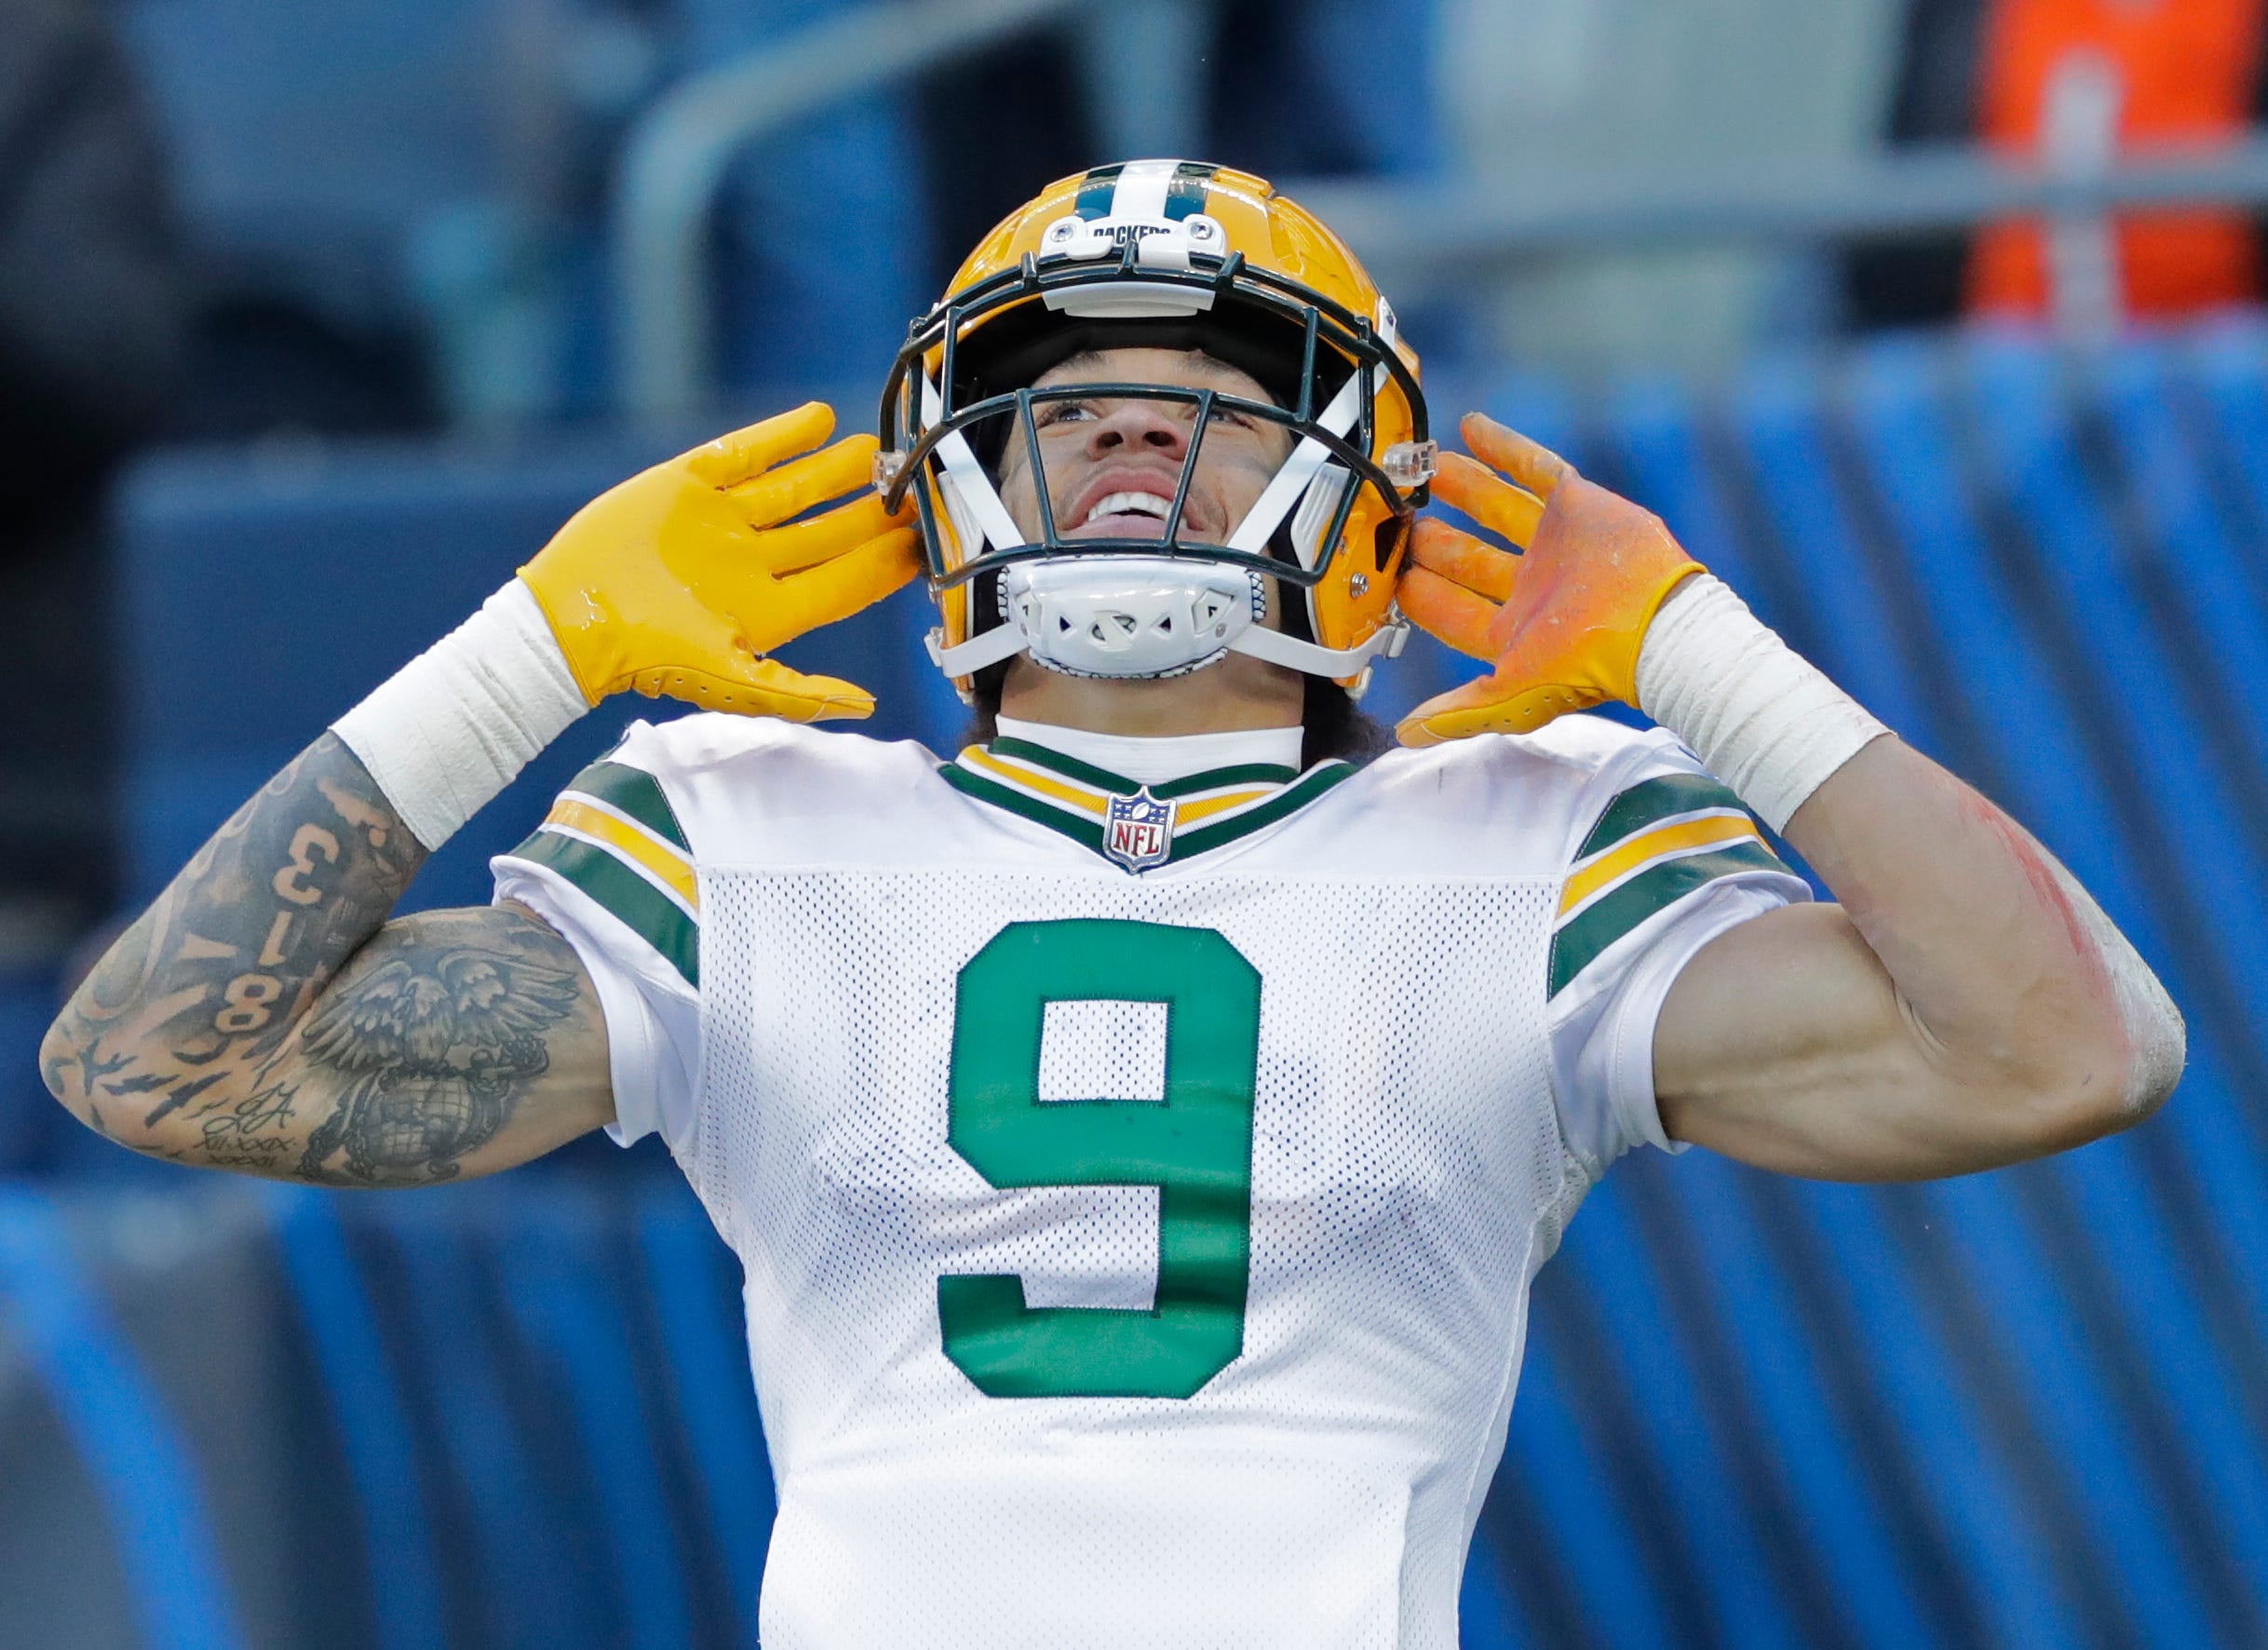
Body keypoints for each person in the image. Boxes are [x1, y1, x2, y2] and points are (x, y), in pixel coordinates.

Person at [39, 161, 2181, 1646]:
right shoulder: (741, 826)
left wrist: (1708, 654)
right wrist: (524, 651)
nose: (1137, 450)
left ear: (1365, 486)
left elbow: (2071, 1043)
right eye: (1065, 407)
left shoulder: (1536, 837)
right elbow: (151, 1057)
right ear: (948, 474)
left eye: (1221, 408)